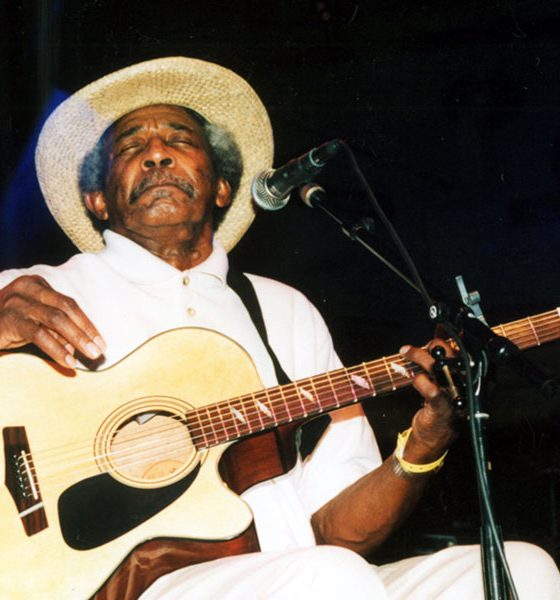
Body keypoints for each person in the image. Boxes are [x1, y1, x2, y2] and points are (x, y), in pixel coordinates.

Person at [0, 57, 558, 599]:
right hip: (131, 584)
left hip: (299, 574)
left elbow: (337, 533)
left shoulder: (282, 309)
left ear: (222, 188)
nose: (156, 157)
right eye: (130, 147)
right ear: (97, 200)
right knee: (331, 579)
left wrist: (424, 445)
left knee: (521, 571)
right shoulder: (36, 292)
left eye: (180, 140)